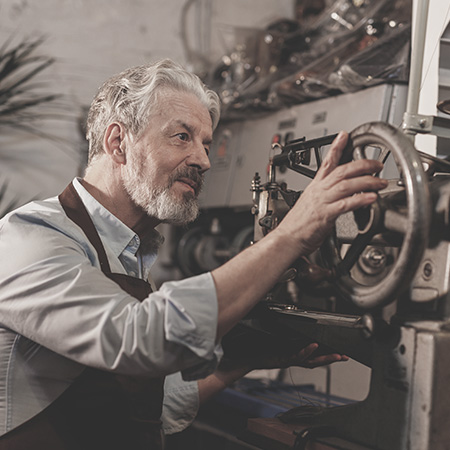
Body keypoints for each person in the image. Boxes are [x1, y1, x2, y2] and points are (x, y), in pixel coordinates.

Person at [0, 59, 387, 449]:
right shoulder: (29, 237)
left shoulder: (130, 255)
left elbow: (150, 407)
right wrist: (289, 235)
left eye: (205, 143)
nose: (204, 160)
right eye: (182, 137)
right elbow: (138, 339)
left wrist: (242, 359)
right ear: (117, 142)